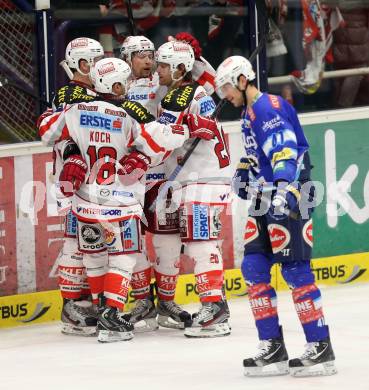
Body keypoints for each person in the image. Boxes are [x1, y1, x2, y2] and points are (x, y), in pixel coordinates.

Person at [42, 57, 218, 342]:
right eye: (122, 81)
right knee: (123, 259)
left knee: (94, 258)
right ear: (114, 83)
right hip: (120, 203)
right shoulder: (130, 111)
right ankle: (112, 316)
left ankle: (100, 311)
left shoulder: (74, 109)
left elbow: (46, 130)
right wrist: (188, 127)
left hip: (85, 202)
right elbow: (160, 141)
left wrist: (72, 149)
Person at [214, 55, 337, 375]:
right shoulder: (250, 112)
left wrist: (283, 188)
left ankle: (320, 345)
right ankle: (272, 346)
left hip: (290, 195)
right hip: (264, 198)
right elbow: (261, 153)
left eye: (227, 86)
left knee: (296, 270)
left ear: (243, 80)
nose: (224, 94)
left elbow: (286, 151)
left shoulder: (268, 107)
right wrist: (245, 169)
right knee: (253, 266)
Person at [131, 39, 232, 338]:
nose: (157, 70)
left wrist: (139, 147)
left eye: (163, 65)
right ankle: (216, 303)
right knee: (203, 243)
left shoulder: (182, 96)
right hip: (200, 179)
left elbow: (162, 141)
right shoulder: (190, 92)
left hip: (202, 180)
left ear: (178, 69)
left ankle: (214, 308)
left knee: (201, 245)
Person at [38, 37, 105, 336]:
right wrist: (73, 158)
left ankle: (92, 300)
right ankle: (70, 305)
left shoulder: (93, 91)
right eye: (95, 59)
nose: (100, 64)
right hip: (74, 179)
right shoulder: (70, 94)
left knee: (94, 242)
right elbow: (62, 135)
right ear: (80, 63)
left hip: (97, 181)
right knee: (75, 243)